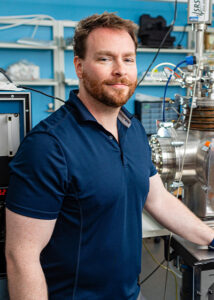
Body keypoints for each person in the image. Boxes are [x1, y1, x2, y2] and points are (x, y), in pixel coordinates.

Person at [5, 12, 214, 300]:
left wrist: (211, 238)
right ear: (79, 66)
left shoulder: (133, 128)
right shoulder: (48, 146)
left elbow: (157, 198)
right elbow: (21, 256)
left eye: (128, 59)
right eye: (105, 59)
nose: (120, 70)